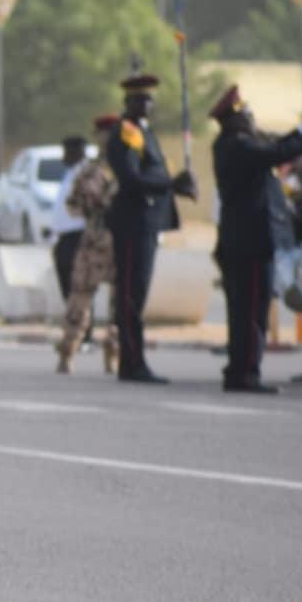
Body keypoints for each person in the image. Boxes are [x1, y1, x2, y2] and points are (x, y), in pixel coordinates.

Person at [209, 87, 302, 393]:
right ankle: (246, 374)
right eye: (247, 115)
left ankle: (238, 370)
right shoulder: (238, 147)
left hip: (241, 241)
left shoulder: (233, 145)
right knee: (252, 311)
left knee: (243, 311)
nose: (252, 119)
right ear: (235, 119)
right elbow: (279, 152)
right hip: (250, 243)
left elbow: (278, 144)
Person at [101, 71, 197, 384]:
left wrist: (175, 186)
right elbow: (130, 178)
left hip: (146, 224)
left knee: (137, 296)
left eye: (150, 98)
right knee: (130, 295)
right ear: (128, 101)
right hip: (132, 224)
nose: (147, 104)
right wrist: (171, 184)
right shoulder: (126, 133)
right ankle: (131, 362)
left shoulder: (145, 132)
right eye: (141, 98)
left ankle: (133, 360)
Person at [54, 121, 119, 375]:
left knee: (114, 303)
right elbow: (74, 205)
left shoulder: (103, 170)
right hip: (101, 239)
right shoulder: (98, 170)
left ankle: (108, 352)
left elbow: (74, 206)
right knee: (81, 298)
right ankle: (70, 351)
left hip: (104, 237)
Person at [50, 136, 89, 303]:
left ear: (77, 153)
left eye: (67, 152)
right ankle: (77, 325)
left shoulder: (85, 174)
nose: (63, 157)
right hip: (65, 237)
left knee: (78, 290)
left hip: (78, 236)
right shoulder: (71, 173)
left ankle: (82, 328)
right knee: (69, 292)